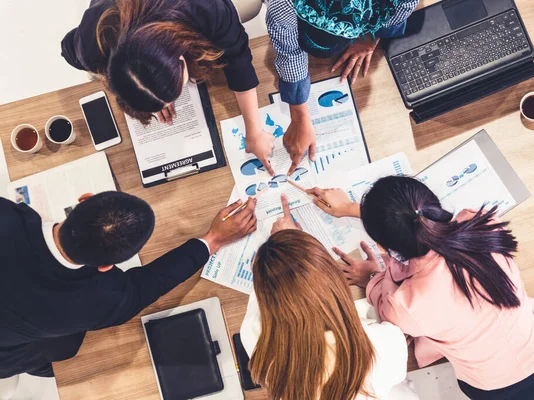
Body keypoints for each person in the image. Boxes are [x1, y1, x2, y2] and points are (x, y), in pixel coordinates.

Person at [308, 177, 534, 400]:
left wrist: (373, 275)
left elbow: (384, 302)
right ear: (435, 206)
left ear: (383, 248)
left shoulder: (406, 304)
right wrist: (360, 210)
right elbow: (417, 222)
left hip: (501, 392)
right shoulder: (485, 226)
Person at [0, 191, 257, 379]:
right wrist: (213, 239)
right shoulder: (99, 299)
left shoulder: (7, 213)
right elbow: (149, 285)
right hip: (8, 350)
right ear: (105, 267)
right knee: (65, 351)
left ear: (84, 199)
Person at [61, 0, 277, 174]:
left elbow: (237, 55)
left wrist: (255, 131)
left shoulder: (205, 8)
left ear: (181, 56)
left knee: (249, 6)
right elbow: (66, 49)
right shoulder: (92, 42)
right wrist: (147, 91)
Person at [239, 195, 418, 400]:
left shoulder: (259, 343)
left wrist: (285, 250)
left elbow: (265, 294)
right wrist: (373, 277)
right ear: (333, 279)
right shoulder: (383, 343)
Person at [266, 0, 419, 174]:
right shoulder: (282, 5)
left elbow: (404, 6)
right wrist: (299, 114)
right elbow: (289, 51)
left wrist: (371, 37)